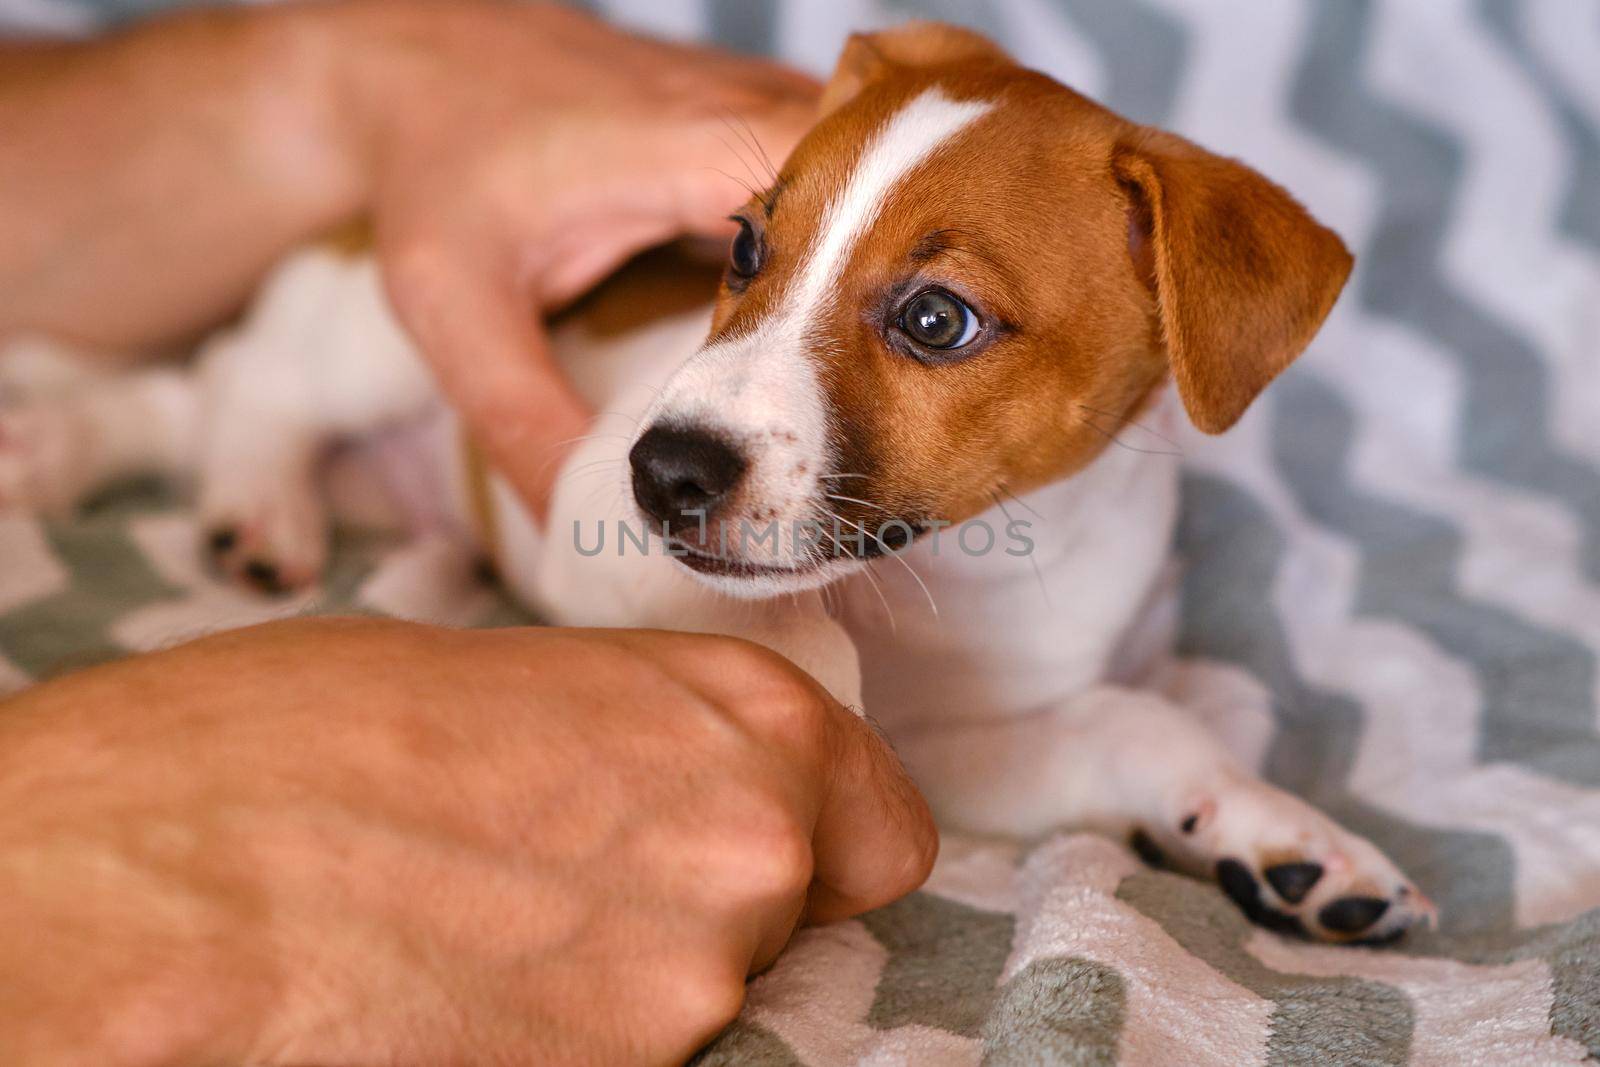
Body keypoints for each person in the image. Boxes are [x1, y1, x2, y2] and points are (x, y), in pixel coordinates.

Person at [0, 4, 939, 1064]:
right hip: (416, 379)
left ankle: (162, 421)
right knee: (348, 357)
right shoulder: (735, 418)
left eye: (933, 323)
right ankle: (193, 414)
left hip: (430, 480)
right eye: (749, 245)